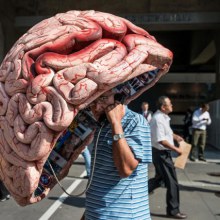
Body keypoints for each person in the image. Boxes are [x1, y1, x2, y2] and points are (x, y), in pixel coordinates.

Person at [82, 90, 152, 220]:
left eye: (102, 99)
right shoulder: (101, 125)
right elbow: (100, 177)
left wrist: (116, 123)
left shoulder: (135, 121)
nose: (96, 107)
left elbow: (126, 169)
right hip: (96, 213)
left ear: (118, 97)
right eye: (93, 101)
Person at [148, 96, 187, 219]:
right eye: (170, 104)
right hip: (162, 154)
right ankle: (173, 211)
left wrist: (175, 137)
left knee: (160, 180)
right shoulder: (158, 118)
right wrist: (177, 150)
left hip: (161, 154)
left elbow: (167, 133)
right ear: (163, 107)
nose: (172, 106)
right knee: (172, 182)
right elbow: (161, 140)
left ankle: (136, 193)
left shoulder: (163, 117)